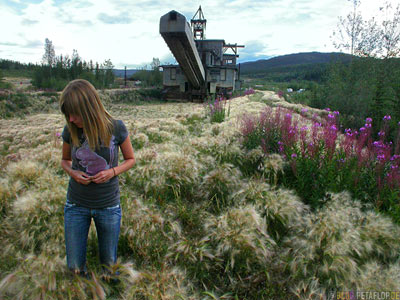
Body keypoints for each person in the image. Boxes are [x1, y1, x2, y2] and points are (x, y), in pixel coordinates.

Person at [59, 79, 135, 277]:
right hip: (76, 205)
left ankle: (109, 290)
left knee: (109, 266)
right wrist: (73, 173)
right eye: (68, 115)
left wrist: (111, 172)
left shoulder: (116, 128)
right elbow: (65, 160)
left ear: (89, 108)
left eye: (74, 114)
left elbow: (131, 159)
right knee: (74, 268)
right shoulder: (71, 129)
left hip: (108, 206)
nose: (71, 119)